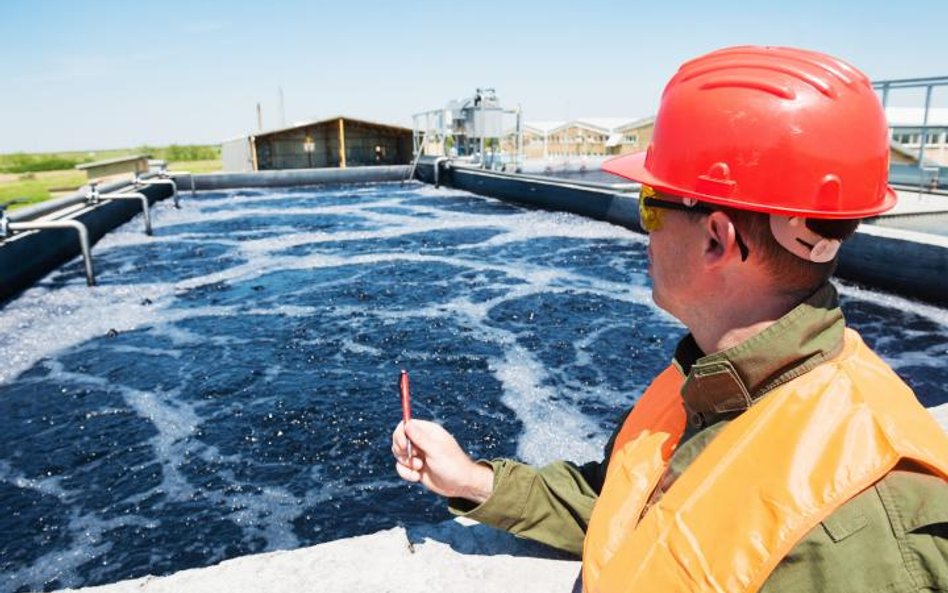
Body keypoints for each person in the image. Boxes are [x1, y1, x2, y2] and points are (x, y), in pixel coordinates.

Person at [392, 46, 948, 592]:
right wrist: (472, 479)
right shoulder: (713, 379)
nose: (645, 230)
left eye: (651, 202)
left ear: (716, 239)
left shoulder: (866, 529)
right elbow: (628, 506)